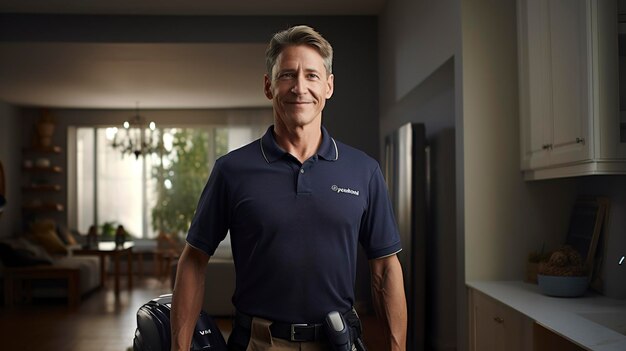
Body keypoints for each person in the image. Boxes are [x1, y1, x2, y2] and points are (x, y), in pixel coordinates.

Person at [171, 25, 407, 351]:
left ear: (329, 86)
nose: (299, 87)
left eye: (311, 75)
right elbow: (194, 259)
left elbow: (384, 267)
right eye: (287, 75)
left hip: (339, 342)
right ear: (268, 87)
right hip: (257, 342)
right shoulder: (232, 170)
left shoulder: (364, 171)